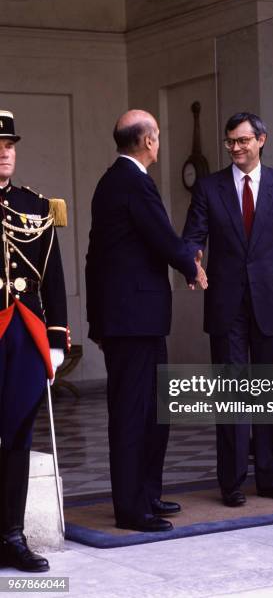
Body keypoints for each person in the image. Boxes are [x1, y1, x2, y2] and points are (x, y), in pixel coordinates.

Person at [85, 109, 207, 532]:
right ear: (148, 141)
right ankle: (132, 510)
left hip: (135, 320)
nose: (158, 141)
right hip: (132, 321)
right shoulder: (133, 182)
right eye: (157, 135)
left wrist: (95, 321)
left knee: (155, 411)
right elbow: (161, 236)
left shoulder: (112, 181)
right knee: (134, 413)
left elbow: (94, 257)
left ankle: (147, 495)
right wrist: (192, 267)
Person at [183, 112, 273, 507]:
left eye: (242, 141)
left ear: (261, 141)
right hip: (226, 306)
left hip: (272, 302)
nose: (236, 148)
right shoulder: (209, 187)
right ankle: (233, 483)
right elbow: (193, 235)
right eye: (230, 142)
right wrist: (194, 261)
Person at [0, 110, 69, 571]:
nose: (4, 152)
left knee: (18, 435)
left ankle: (11, 534)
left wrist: (59, 337)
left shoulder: (35, 206)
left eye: (9, 145)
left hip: (23, 332)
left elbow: (54, 279)